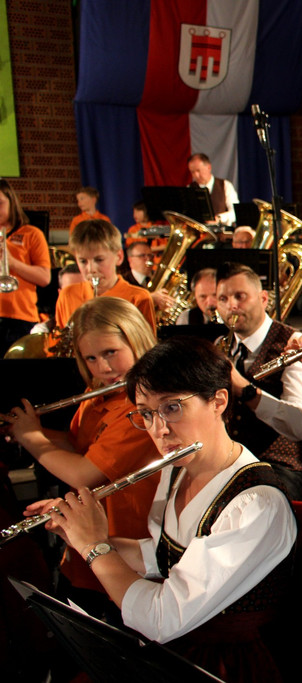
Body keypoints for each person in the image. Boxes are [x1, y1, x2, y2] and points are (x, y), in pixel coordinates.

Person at [40, 337, 296, 681]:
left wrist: (95, 548)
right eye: (146, 413)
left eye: (172, 407)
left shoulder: (255, 503)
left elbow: (161, 619)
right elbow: (162, 557)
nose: (159, 430)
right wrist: (77, 531)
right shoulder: (175, 471)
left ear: (218, 400)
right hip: (181, 645)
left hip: (225, 664)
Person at [7, 298, 160, 605]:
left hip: (126, 544)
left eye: (111, 353)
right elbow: (78, 446)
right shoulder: (98, 392)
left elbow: (84, 472)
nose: (103, 367)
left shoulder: (143, 406)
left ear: (137, 341)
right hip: (87, 541)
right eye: (90, 358)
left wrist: (33, 438)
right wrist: (23, 430)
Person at [214, 262, 302, 500]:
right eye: (222, 299)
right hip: (228, 461)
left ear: (264, 298)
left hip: (278, 467)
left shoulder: (294, 344)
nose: (231, 306)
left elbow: (299, 424)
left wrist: (243, 388)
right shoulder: (220, 346)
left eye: (240, 296)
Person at [55, 219, 156, 332]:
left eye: (99, 260)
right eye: (83, 261)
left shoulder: (139, 298)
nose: (91, 269)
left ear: (119, 257)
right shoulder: (67, 295)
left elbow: (145, 346)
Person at [0, 178, 51, 355]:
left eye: (0, 203)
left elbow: (45, 278)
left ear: (11, 202)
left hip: (21, 318)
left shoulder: (32, 234)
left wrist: (13, 263)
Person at [187, 153, 238, 226]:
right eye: (192, 172)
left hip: (222, 234)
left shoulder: (225, 185)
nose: (195, 175)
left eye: (198, 171)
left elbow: (235, 212)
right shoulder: (189, 188)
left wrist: (219, 218)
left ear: (209, 167)